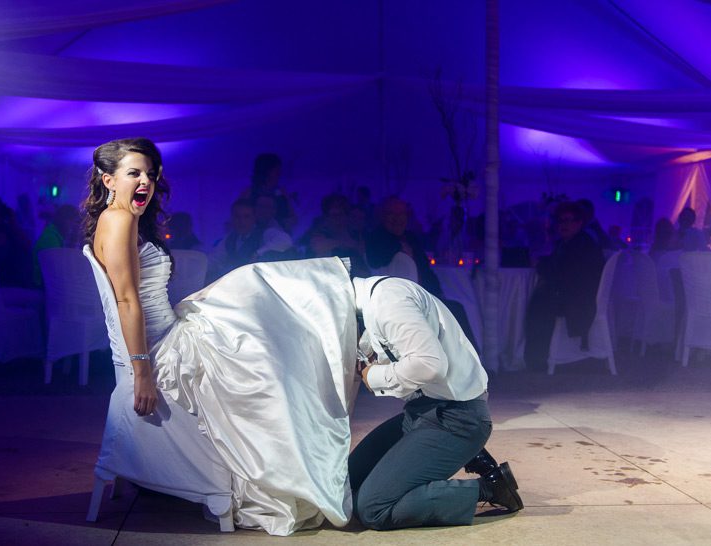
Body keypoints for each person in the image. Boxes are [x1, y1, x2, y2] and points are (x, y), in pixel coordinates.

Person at [82, 137, 357, 535]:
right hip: (159, 347)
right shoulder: (120, 219)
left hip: (167, 329)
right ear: (108, 180)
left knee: (249, 295)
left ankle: (328, 305)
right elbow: (126, 301)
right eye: (133, 173)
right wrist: (141, 372)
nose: (146, 181)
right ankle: (334, 299)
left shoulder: (121, 217)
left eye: (150, 173)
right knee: (259, 332)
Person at [349, 275, 522, 530]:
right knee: (348, 486)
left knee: (373, 509)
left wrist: (372, 375)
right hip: (422, 412)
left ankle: (489, 487)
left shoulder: (388, 301)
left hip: (457, 419)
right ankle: (457, 455)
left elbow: (430, 366)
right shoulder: (375, 302)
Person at [524, 201, 605, 371]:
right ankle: (534, 357)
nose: (564, 225)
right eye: (561, 221)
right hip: (571, 294)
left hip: (579, 300)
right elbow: (557, 265)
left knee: (540, 303)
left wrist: (540, 265)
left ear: (579, 223)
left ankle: (536, 359)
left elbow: (563, 273)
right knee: (539, 299)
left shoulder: (582, 244)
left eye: (569, 220)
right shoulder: (567, 243)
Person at [365, 196, 443, 298]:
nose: (397, 218)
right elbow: (375, 261)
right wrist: (399, 247)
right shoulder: (376, 237)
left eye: (401, 214)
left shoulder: (411, 238)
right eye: (392, 214)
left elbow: (425, 268)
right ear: (383, 216)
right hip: (394, 295)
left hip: (421, 293)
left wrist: (438, 293)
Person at [32, 204, 81, 287]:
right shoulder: (50, 238)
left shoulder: (55, 234)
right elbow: (58, 272)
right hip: (39, 286)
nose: (74, 226)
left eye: (75, 222)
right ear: (62, 220)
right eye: (71, 221)